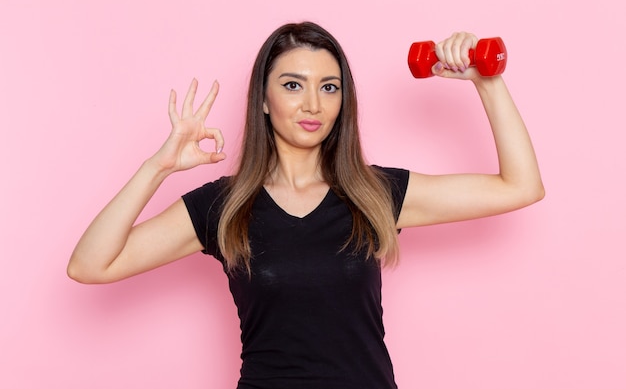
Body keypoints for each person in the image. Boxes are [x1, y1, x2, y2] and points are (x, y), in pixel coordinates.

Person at [68, 21, 544, 389]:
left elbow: (520, 187)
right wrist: (159, 165)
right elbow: (90, 265)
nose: (313, 104)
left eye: (329, 87)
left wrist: (487, 81)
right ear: (264, 100)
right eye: (293, 85)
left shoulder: (373, 193)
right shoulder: (225, 206)